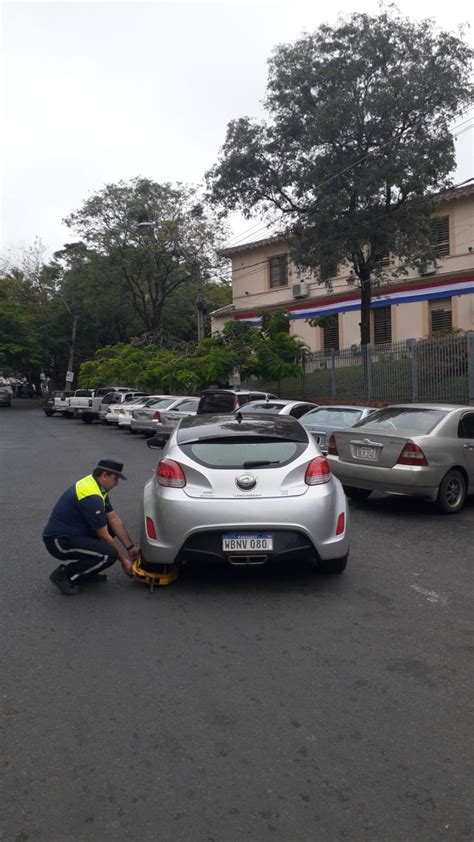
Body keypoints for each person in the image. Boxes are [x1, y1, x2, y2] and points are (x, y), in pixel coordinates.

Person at [43, 459, 139, 595]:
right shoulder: (91, 495)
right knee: (108, 554)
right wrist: (124, 561)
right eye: (115, 479)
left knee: (110, 528)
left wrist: (131, 548)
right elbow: (103, 536)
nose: (117, 484)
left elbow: (113, 519)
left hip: (74, 533)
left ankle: (86, 572)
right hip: (59, 542)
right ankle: (64, 575)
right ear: (104, 475)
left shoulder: (97, 486)